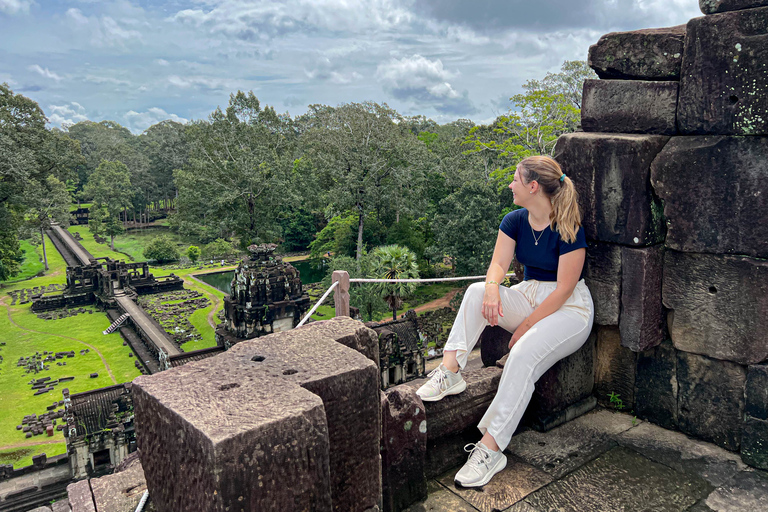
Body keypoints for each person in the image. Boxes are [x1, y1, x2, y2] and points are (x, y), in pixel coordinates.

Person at [416, 155, 594, 488]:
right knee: (475, 291)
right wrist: (493, 289)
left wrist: (524, 329)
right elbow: (498, 264)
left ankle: (491, 448)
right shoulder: (514, 220)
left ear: (533, 186)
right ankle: (450, 371)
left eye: (515, 179)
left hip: (569, 310)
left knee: (523, 354)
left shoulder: (569, 226)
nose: (510, 184)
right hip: (528, 294)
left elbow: (564, 290)